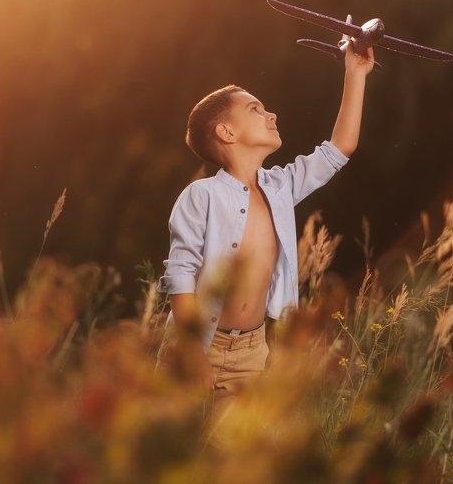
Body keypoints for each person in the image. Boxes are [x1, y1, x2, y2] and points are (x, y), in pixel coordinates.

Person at [155, 37, 375, 438]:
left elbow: (339, 149)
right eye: (255, 109)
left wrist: (355, 74)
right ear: (226, 131)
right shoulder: (201, 196)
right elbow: (181, 278)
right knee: (175, 454)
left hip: (252, 353)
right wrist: (191, 356)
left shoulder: (280, 188)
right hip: (198, 346)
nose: (271, 114)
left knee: (232, 459)